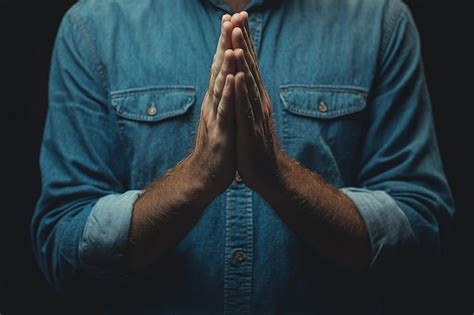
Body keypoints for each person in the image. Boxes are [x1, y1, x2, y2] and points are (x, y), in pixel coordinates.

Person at [31, 0, 455, 313]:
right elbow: (62, 245)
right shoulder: (92, 26)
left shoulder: (380, 20)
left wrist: (278, 177)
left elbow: (421, 233)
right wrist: (196, 178)